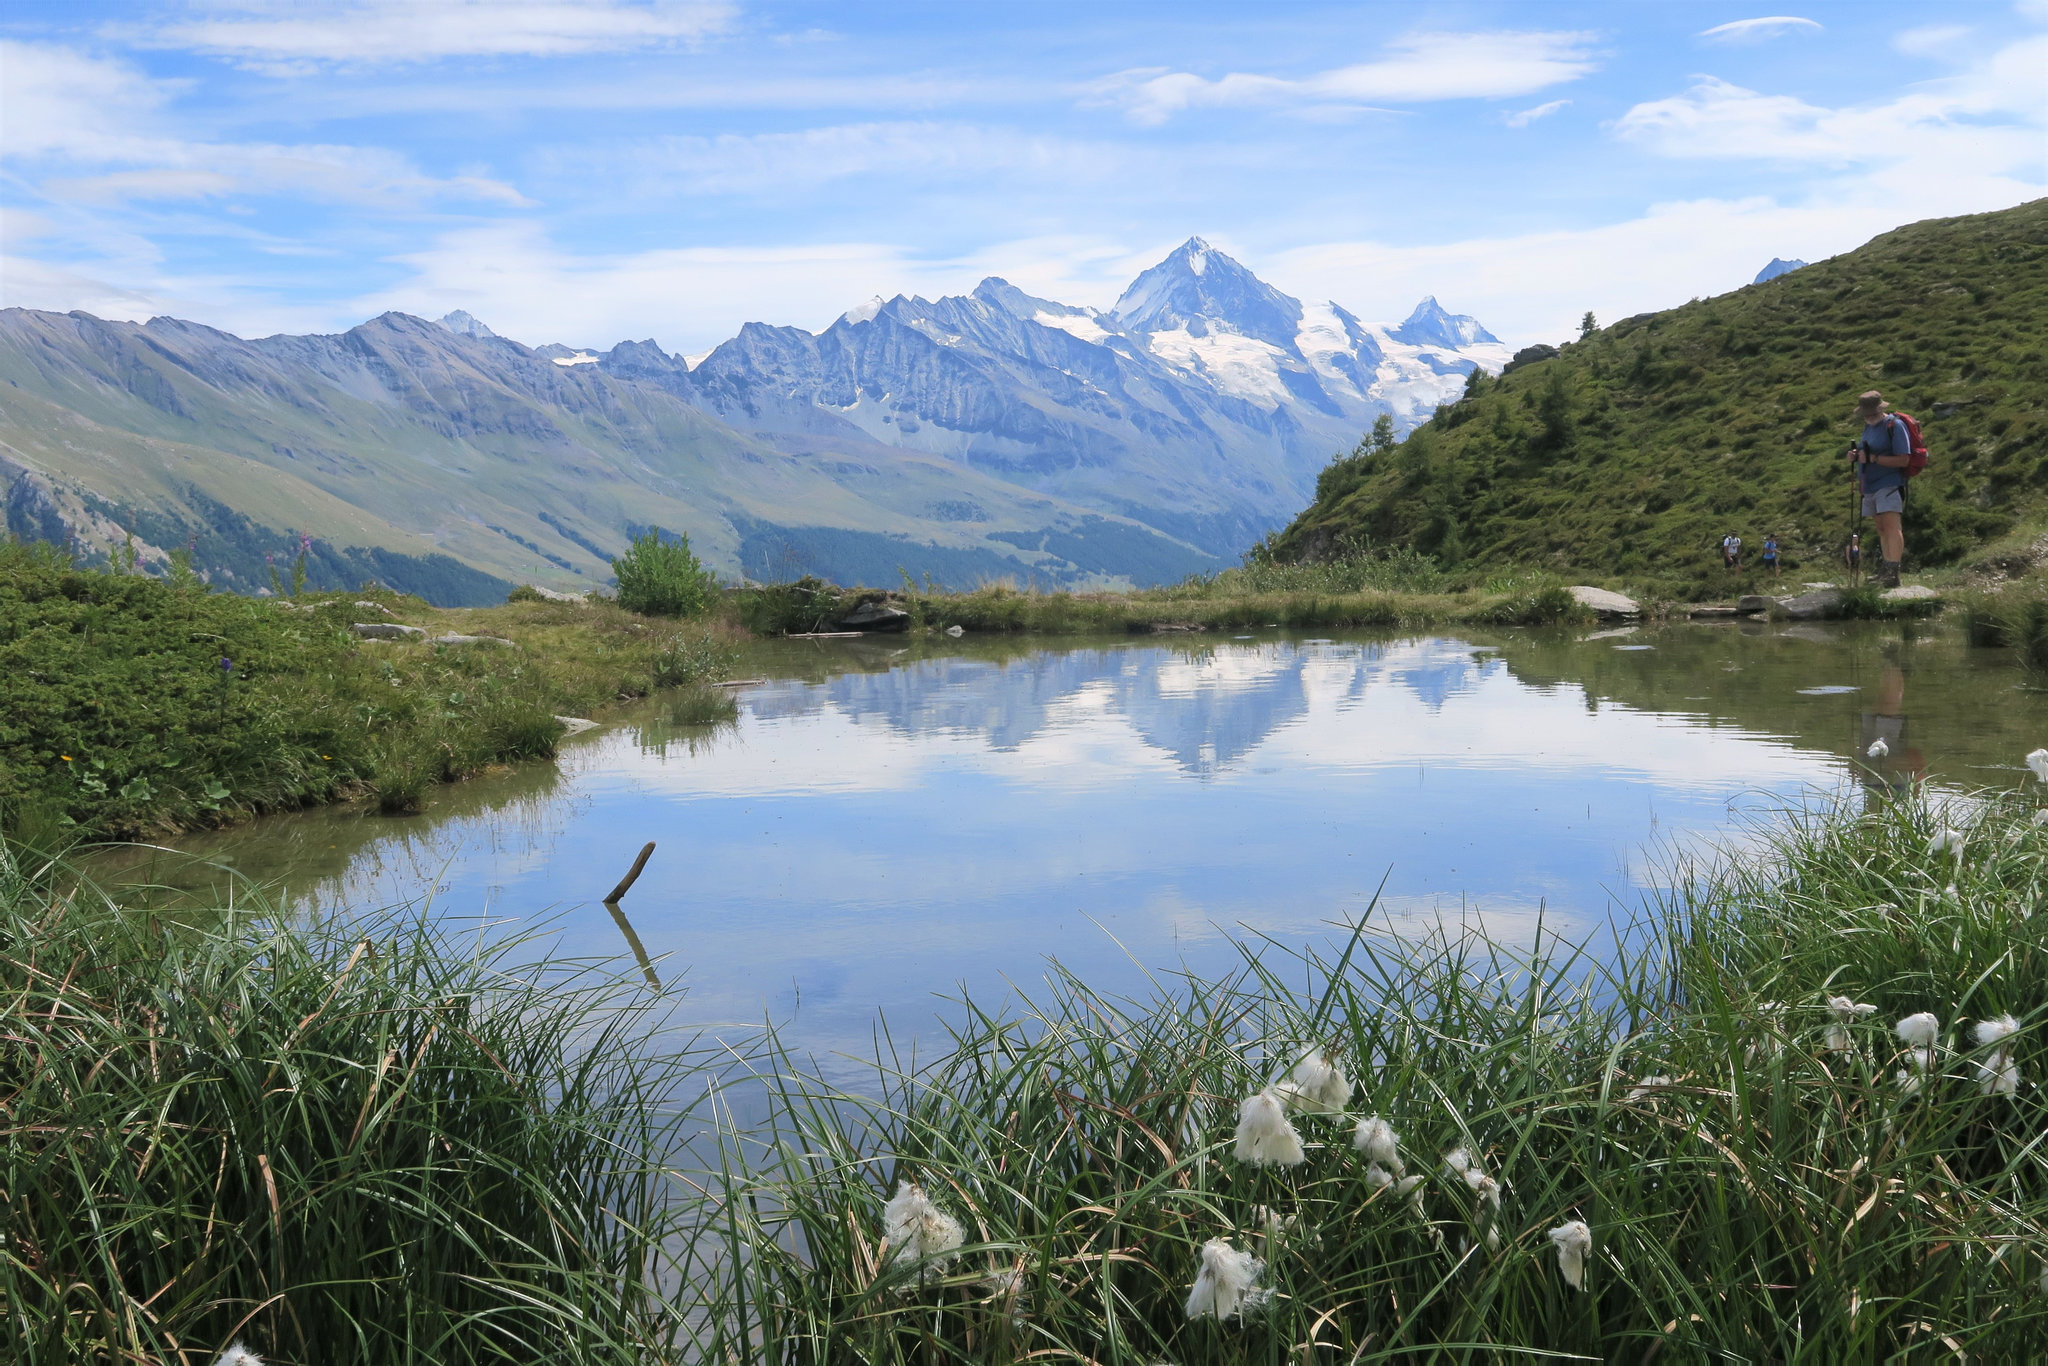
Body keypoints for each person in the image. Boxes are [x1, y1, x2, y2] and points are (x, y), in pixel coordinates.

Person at [1850, 390, 1910, 588]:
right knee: (1881, 528)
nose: (1869, 417)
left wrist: (1872, 459)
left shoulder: (1895, 426)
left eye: (1872, 413)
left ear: (1881, 409)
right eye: (1866, 415)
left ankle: (1894, 572)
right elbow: (1865, 451)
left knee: (1892, 526)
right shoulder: (1868, 428)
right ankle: (1886, 568)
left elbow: (1904, 459)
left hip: (1889, 483)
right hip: (1870, 486)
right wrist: (1855, 455)